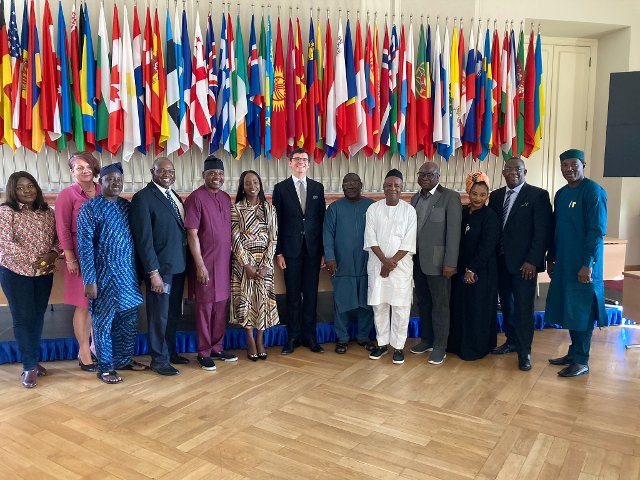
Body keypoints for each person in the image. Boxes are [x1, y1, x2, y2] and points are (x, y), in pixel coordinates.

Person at [77, 163, 145, 384]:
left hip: (128, 276)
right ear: (101, 182)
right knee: (103, 323)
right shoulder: (91, 208)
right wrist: (90, 280)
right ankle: (105, 367)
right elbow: (85, 247)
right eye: (110, 179)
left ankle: (124, 359)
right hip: (104, 278)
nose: (115, 183)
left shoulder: (127, 207)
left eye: (119, 179)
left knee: (130, 320)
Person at [545, 149, 607, 377]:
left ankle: (582, 360)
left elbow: (597, 231)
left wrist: (588, 264)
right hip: (564, 262)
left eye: (574, 164)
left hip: (584, 264)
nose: (569, 169)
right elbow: (556, 230)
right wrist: (551, 258)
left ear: (583, 165)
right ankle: (573, 352)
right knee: (569, 308)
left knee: (582, 310)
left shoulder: (592, 192)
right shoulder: (561, 194)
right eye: (564, 165)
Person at [488, 157, 553, 371]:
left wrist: (532, 261)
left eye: (518, 169)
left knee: (524, 308)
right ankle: (512, 340)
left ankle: (525, 352)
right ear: (503, 173)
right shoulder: (496, 196)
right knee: (507, 305)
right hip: (501, 262)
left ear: (525, 172)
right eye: (509, 169)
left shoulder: (538, 195)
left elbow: (542, 232)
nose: (513, 172)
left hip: (525, 265)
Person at [0, 172, 60, 388]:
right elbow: (5, 244)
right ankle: (29, 366)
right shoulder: (7, 212)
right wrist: (36, 259)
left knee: (37, 316)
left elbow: (58, 238)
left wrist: (52, 254)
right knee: (23, 318)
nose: (27, 190)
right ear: (12, 191)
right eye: (20, 188)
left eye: (30, 186)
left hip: (43, 273)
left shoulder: (47, 213)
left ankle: (34, 360)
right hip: (15, 272)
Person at [130, 157, 188, 376]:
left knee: (172, 313)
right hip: (160, 270)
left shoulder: (174, 196)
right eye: (161, 170)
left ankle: (170, 352)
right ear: (151, 172)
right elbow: (144, 240)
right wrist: (153, 273)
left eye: (171, 171)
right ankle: (159, 359)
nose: (167, 174)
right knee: (159, 315)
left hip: (178, 266)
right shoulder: (142, 198)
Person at [184, 156, 237, 370]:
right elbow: (192, 234)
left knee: (221, 306)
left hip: (223, 264)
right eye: (212, 173)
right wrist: (199, 265)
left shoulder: (225, 198)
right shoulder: (195, 198)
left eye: (220, 173)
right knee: (205, 309)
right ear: (203, 175)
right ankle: (203, 351)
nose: (217, 177)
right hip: (205, 264)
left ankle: (217, 347)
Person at [272, 148, 326, 355]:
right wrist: (279, 252)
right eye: (297, 159)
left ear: (309, 164)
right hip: (290, 252)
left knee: (311, 296)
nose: (301, 162)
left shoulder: (317, 188)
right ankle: (292, 337)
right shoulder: (280, 188)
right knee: (293, 296)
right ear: (290, 163)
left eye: (304, 159)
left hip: (313, 251)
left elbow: (321, 220)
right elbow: (276, 223)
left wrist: (323, 251)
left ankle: (310, 337)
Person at [410, 161, 462, 365]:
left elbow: (454, 233)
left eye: (429, 174)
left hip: (440, 263)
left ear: (438, 176)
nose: (424, 177)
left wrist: (450, 262)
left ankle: (440, 346)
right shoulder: (415, 198)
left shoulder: (450, 197)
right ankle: (427, 340)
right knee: (424, 302)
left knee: (440, 305)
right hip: (417, 262)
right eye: (421, 173)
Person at [364, 169, 417, 365]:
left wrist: (391, 263)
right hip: (377, 266)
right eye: (389, 185)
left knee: (401, 308)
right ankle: (382, 344)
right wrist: (384, 262)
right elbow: (370, 238)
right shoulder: (373, 209)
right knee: (380, 306)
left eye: (397, 185)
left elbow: (409, 242)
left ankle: (398, 346)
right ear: (383, 187)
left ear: (402, 188)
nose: (392, 188)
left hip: (400, 268)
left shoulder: (409, 211)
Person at [55, 152, 101, 372]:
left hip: (103, 257)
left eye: (88, 166)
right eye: (79, 167)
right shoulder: (67, 195)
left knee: (97, 305)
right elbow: (62, 228)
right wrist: (70, 258)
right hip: (80, 257)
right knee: (84, 305)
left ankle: (94, 346)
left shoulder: (102, 190)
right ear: (72, 171)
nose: (85, 171)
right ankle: (83, 353)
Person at [447, 173, 500, 361]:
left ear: (487, 196)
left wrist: (472, 268)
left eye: (482, 195)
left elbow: (488, 245)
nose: (478, 198)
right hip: (460, 269)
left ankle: (476, 348)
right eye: (474, 193)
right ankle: (456, 345)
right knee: (460, 306)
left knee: (477, 308)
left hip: (480, 271)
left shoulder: (490, 216)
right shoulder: (461, 212)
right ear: (468, 192)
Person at [230, 170, 279, 360]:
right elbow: (234, 239)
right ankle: (249, 339)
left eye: (256, 183)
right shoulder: (236, 209)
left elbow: (274, 238)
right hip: (244, 265)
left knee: (263, 301)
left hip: (264, 263)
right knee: (246, 300)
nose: (253, 187)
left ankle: (260, 338)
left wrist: (266, 264)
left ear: (260, 184)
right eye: (248, 183)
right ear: (242, 186)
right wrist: (246, 265)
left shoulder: (270, 209)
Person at [323, 173, 375, 354]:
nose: (350, 186)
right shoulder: (334, 208)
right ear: (342, 186)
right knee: (342, 303)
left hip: (367, 264)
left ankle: (363, 337)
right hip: (342, 265)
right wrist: (329, 257)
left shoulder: (372, 207)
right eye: (346, 183)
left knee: (366, 304)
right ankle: (342, 338)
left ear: (361, 184)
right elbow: (327, 234)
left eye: (354, 183)